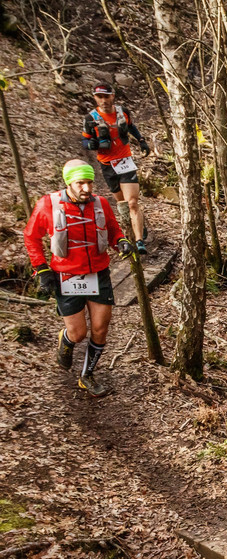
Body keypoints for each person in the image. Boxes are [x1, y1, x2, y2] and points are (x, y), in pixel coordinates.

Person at [24, 159, 133, 397]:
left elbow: (113, 230)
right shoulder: (49, 204)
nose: (87, 188)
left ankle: (86, 376)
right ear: (68, 183)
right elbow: (31, 237)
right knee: (78, 334)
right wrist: (41, 269)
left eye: (90, 183)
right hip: (66, 275)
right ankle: (66, 339)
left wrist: (121, 242)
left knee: (100, 328)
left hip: (98, 273)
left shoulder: (101, 203)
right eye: (80, 183)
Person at [82, 82, 151, 254]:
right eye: (100, 97)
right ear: (95, 98)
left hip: (125, 162)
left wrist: (141, 140)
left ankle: (139, 241)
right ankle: (136, 227)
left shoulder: (123, 112)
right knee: (122, 205)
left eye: (107, 96)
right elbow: (84, 140)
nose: (103, 100)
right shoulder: (90, 118)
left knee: (132, 202)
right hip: (106, 165)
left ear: (113, 96)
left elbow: (131, 126)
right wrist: (91, 144)